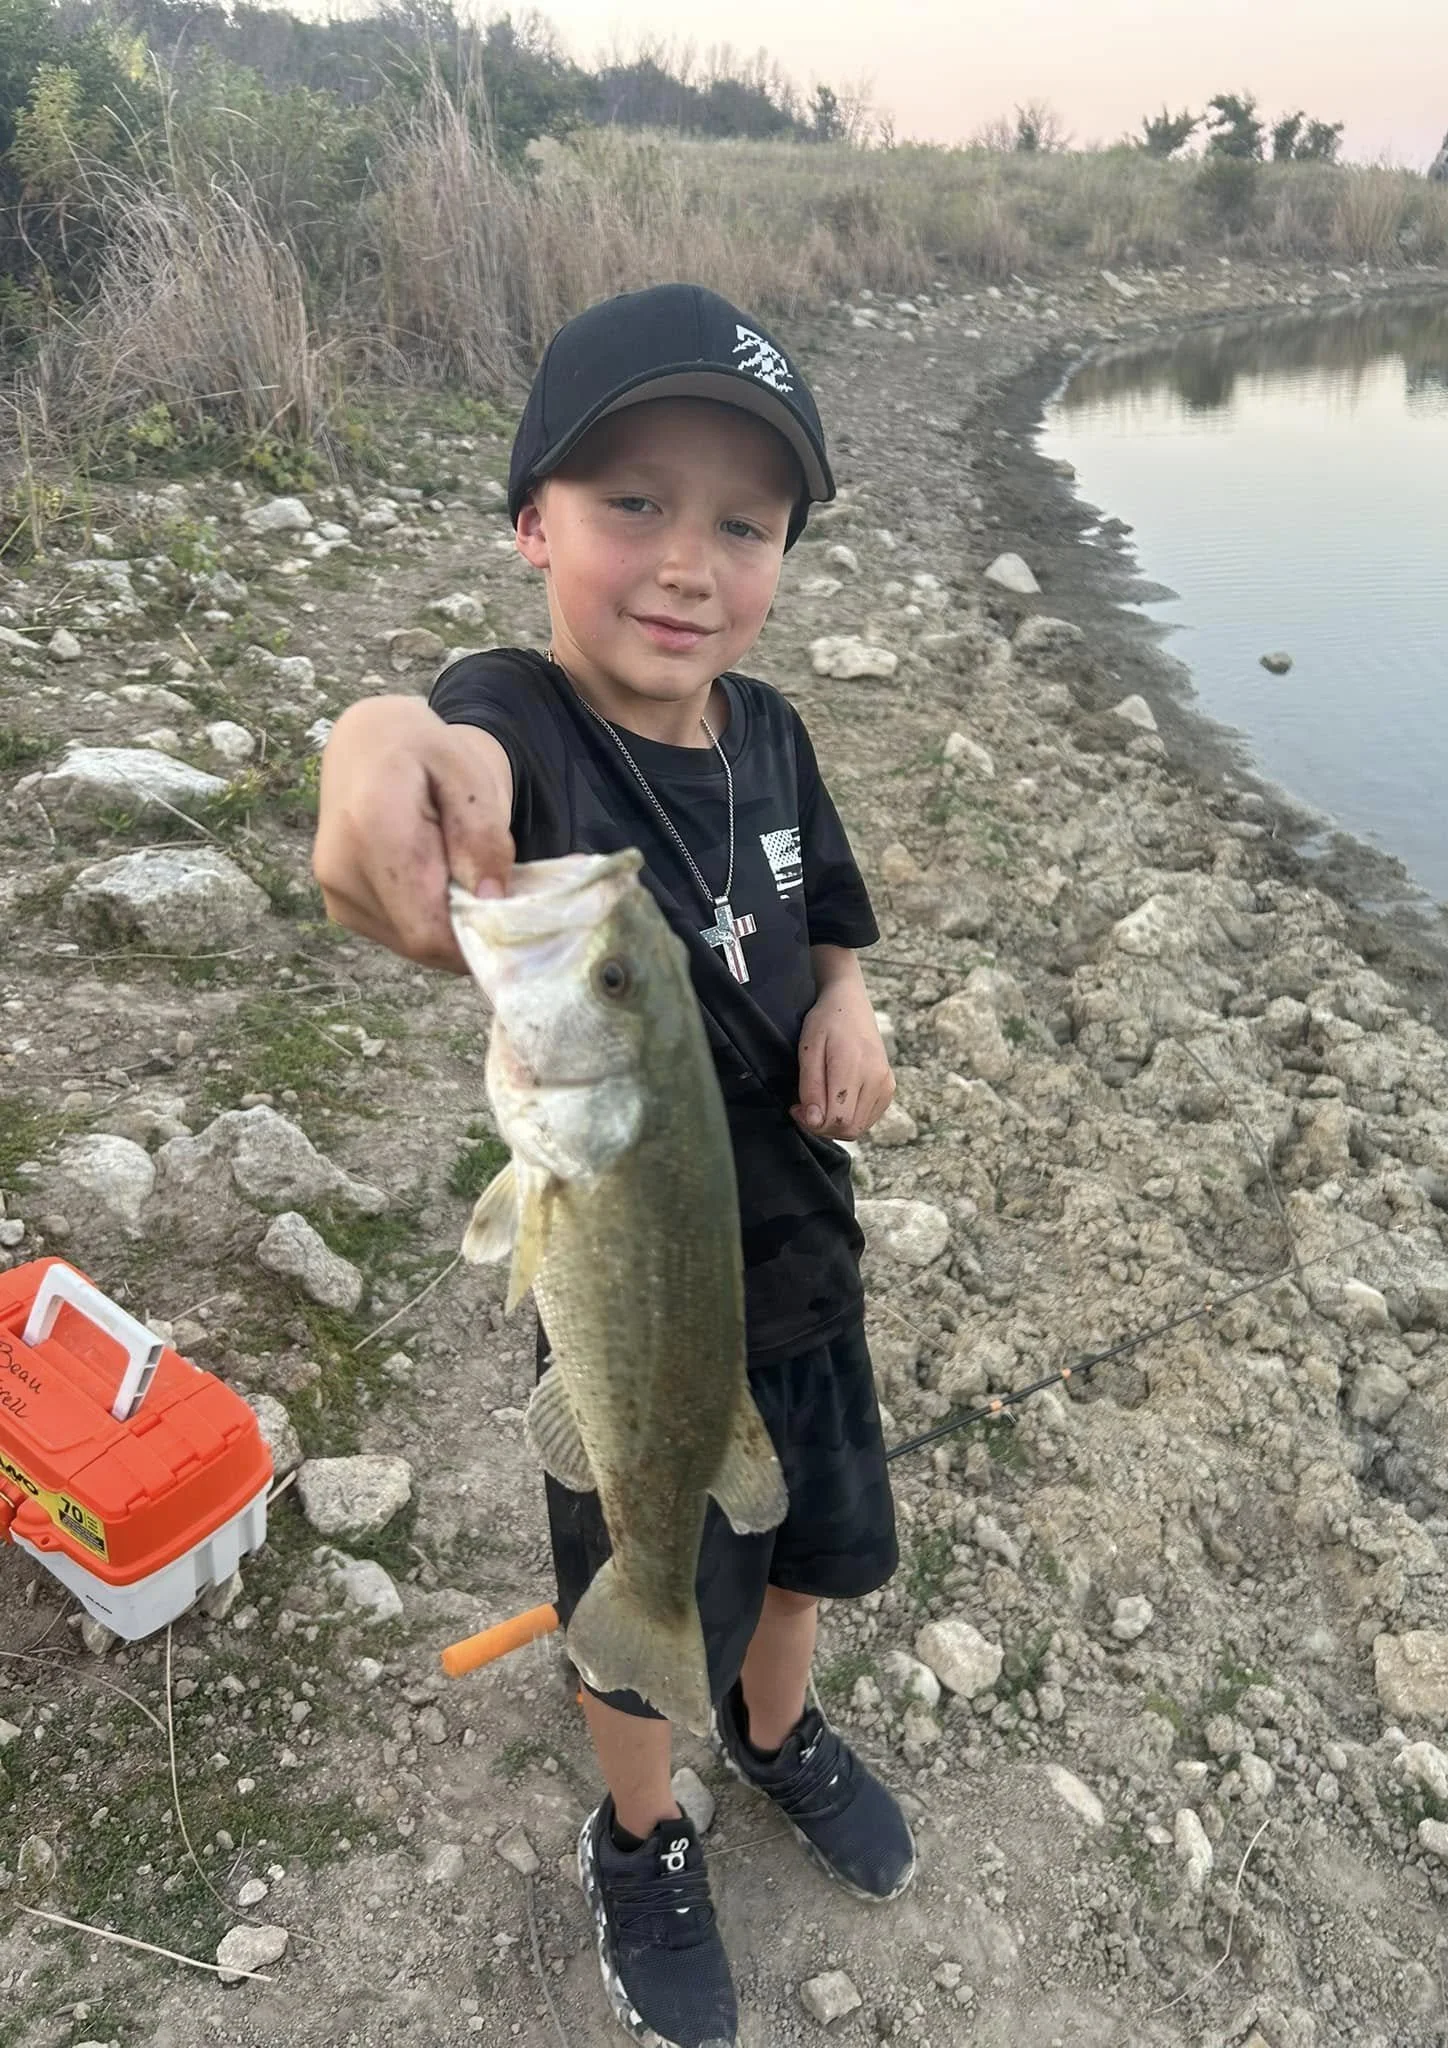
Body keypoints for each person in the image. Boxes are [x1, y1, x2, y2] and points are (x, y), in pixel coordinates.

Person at [313, 282, 915, 2048]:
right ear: (532, 524)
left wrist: (850, 1003)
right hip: (629, 1328)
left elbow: (835, 919)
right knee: (636, 1578)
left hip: (805, 1272)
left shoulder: (776, 735)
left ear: (784, 555)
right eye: (631, 502)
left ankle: (778, 1731)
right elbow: (430, 742)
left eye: (742, 524)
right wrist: (374, 753)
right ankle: (644, 1829)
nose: (685, 564)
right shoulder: (531, 725)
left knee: (808, 1549)